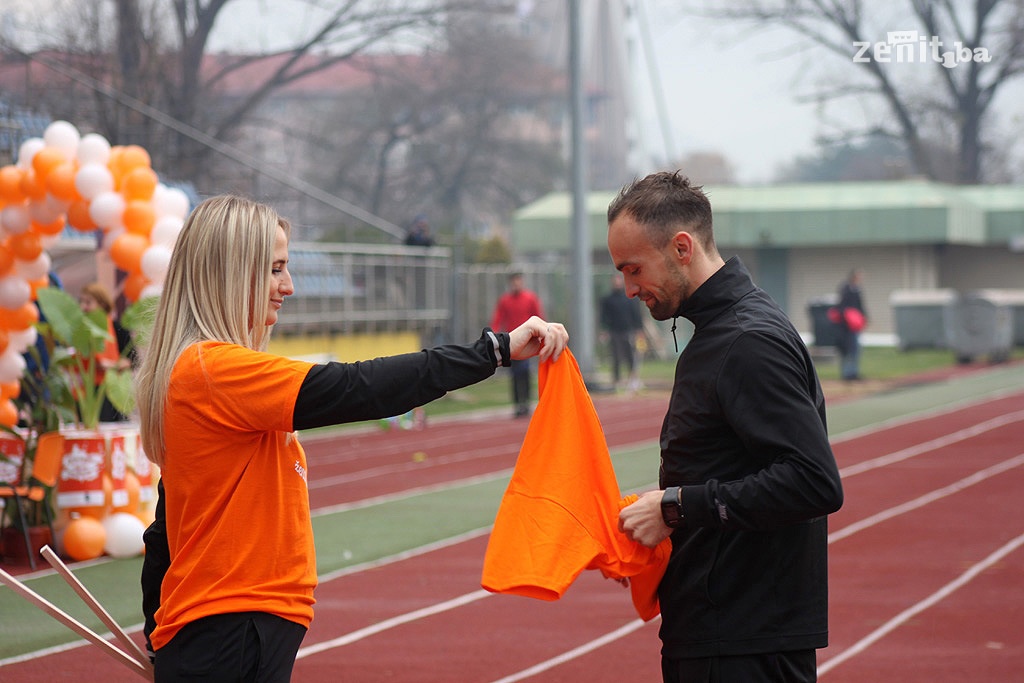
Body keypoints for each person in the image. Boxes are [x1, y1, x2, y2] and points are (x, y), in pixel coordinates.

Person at [136, 195, 568, 682]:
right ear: (232, 273)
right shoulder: (213, 370)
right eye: (276, 269)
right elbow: (358, 388)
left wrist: (157, 633)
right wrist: (494, 350)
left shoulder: (202, 371)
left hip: (226, 628)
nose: (289, 286)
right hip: (230, 626)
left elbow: (165, 529)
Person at [608, 171, 844, 683]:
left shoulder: (746, 341)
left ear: (682, 247)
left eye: (634, 269)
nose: (628, 288)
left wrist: (673, 507)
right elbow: (726, 466)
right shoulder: (723, 332)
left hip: (742, 640)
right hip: (727, 629)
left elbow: (813, 481)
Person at [490, 271, 544, 417]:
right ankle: (517, 404)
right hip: (511, 341)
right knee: (514, 374)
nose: (516, 284)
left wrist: (541, 333)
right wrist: (493, 334)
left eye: (518, 281)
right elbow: (498, 318)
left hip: (527, 341)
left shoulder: (530, 298)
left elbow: (538, 316)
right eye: (514, 281)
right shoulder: (505, 300)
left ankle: (525, 402)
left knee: (525, 372)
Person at [78, 282, 130, 422]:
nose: (83, 307)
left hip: (110, 390)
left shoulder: (117, 328)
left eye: (88, 302)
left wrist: (109, 365)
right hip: (87, 391)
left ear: (102, 304)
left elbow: (130, 360)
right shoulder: (80, 330)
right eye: (81, 302)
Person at [599, 272, 644, 391]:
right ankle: (616, 381)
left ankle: (633, 380)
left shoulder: (630, 299)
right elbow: (604, 316)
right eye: (615, 280)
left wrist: (639, 330)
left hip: (629, 331)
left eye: (619, 280)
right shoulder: (607, 300)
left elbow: (636, 314)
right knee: (616, 357)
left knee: (631, 356)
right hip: (615, 332)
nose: (617, 283)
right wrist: (604, 330)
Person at [835, 268, 867, 381]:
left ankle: (853, 372)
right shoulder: (846, 289)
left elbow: (860, 306)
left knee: (855, 350)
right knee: (846, 350)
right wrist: (848, 318)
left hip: (855, 326)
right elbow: (842, 306)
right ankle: (846, 373)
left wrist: (864, 318)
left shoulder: (857, 290)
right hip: (845, 327)